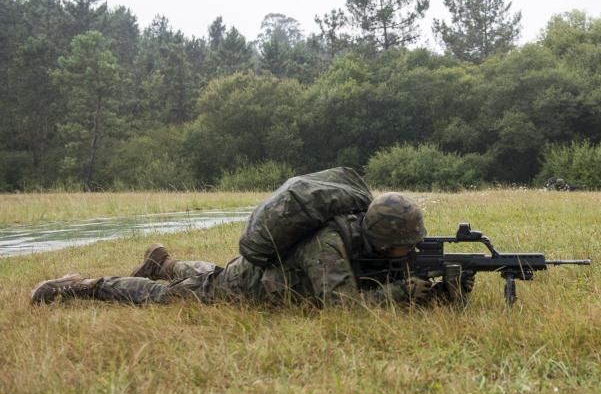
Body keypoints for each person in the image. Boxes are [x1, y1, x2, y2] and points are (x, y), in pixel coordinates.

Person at [30, 167, 468, 307]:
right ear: (381, 236)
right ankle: (84, 287)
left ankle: (165, 262)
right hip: (249, 290)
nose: (410, 252)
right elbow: (344, 309)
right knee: (170, 297)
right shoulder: (330, 245)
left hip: (250, 275)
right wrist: (406, 291)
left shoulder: (365, 238)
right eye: (406, 246)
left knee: (206, 274)